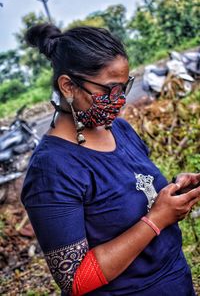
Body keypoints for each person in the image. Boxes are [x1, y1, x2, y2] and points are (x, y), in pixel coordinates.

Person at [21, 23, 200, 296]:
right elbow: (76, 281)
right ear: (68, 86)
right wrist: (157, 220)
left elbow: (135, 193)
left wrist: (174, 193)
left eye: (123, 89)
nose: (118, 101)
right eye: (108, 91)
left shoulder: (119, 129)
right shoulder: (52, 170)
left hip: (176, 280)